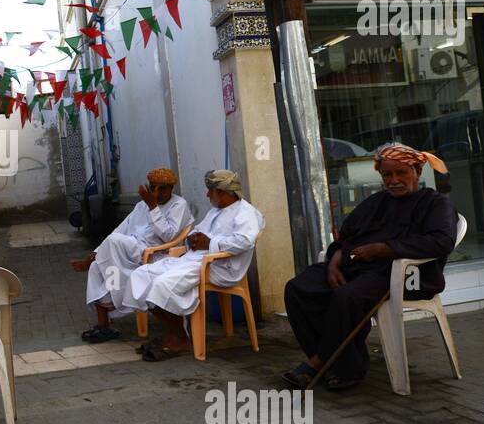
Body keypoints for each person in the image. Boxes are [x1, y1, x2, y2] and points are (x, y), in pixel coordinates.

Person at [282, 145, 457, 391]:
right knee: (298, 288)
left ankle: (320, 364)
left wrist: (383, 249)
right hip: (357, 268)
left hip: (403, 275)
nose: (394, 181)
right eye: (387, 175)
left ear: (417, 171)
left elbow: (441, 242)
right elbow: (346, 237)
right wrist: (333, 264)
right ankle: (337, 362)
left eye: (401, 173)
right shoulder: (377, 202)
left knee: (346, 297)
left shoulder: (436, 203)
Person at [122, 170, 264, 361]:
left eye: (210, 191)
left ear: (221, 192)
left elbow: (245, 242)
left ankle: (179, 338)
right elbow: (198, 230)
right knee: (141, 275)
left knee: (162, 284)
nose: (206, 195)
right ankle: (177, 333)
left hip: (218, 267)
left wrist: (211, 242)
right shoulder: (216, 210)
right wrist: (193, 239)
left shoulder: (246, 213)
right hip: (193, 260)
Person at [71, 167, 193, 343]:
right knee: (97, 267)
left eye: (162, 188)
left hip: (154, 252)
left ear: (171, 188)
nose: (156, 193)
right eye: (153, 187)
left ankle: (117, 295)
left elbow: (169, 236)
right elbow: (122, 229)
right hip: (129, 249)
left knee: (113, 243)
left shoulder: (178, 205)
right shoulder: (141, 205)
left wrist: (153, 207)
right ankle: (105, 324)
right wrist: (97, 251)